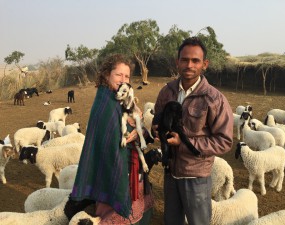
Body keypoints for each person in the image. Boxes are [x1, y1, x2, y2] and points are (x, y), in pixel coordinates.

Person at [152, 37, 233, 225]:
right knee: (172, 221)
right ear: (177, 62)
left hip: (196, 175)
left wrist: (184, 143)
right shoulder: (167, 92)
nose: (189, 65)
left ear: (205, 64)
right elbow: (158, 119)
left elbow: (225, 141)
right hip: (170, 171)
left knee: (198, 222)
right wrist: (156, 130)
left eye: (195, 61)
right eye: (185, 59)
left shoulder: (214, 98)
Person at [65, 54, 154, 224]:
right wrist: (132, 132)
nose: (123, 79)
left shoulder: (116, 97)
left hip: (129, 165)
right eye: (118, 75)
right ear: (107, 75)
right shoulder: (106, 101)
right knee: (110, 215)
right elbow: (109, 138)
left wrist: (136, 126)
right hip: (114, 166)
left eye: (126, 76)